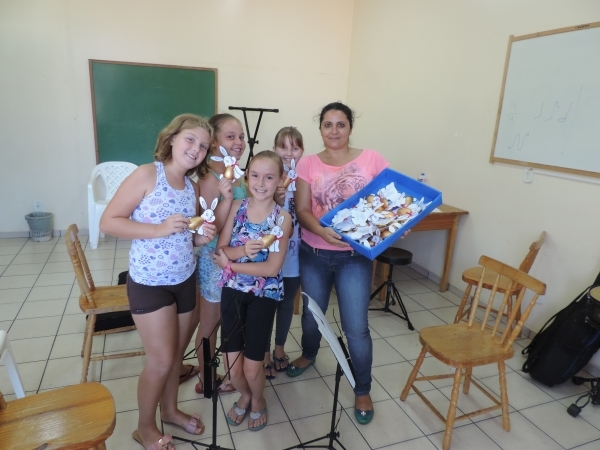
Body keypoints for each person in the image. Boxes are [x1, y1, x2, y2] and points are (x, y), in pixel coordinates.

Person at [100, 114, 216, 450]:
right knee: (162, 360)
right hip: (150, 283)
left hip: (184, 279)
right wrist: (158, 229)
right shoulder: (147, 174)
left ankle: (171, 411)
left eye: (203, 146)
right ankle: (145, 427)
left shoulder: (191, 187)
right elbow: (110, 221)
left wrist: (199, 238)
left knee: (176, 356)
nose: (196, 149)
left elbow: (183, 236)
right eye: (190, 139)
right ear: (172, 138)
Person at [286, 102, 390, 425]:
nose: (334, 131)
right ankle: (309, 353)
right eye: (327, 125)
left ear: (350, 127)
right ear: (320, 128)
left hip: (354, 258)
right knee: (311, 316)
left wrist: (398, 224)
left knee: (356, 327)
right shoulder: (307, 163)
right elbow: (303, 209)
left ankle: (362, 387)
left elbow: (388, 202)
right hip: (314, 254)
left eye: (340, 124)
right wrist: (321, 231)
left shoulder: (372, 159)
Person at [213, 150, 292, 431]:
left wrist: (231, 266)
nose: (261, 183)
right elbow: (221, 250)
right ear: (246, 177)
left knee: (251, 366)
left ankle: (257, 399)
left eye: (269, 177)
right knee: (232, 367)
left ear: (280, 180)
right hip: (232, 293)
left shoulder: (283, 219)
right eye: (255, 176)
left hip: (263, 296)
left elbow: (271, 268)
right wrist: (242, 251)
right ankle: (244, 395)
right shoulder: (237, 207)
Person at [192, 113, 247, 395]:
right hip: (215, 260)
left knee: (228, 319)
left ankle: (225, 371)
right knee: (210, 324)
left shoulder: (235, 175)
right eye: (231, 136)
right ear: (213, 142)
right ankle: (206, 378)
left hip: (233, 257)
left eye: (241, 137)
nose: (239, 142)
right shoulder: (209, 179)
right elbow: (213, 226)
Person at [263, 127, 304, 379]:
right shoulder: (268, 177)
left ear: (302, 151)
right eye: (283, 147)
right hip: (270, 254)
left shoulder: (305, 179)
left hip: (295, 254)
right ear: (275, 149)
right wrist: (276, 200)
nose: (289, 153)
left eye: (295, 147)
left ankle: (279, 348)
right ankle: (264, 353)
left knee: (287, 304)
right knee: (267, 304)